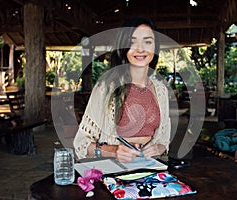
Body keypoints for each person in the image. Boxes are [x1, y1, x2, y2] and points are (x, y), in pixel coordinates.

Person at [73, 17, 171, 162]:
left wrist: (159, 148)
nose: (141, 49)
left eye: (148, 42)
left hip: (150, 169)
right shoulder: (106, 88)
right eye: (132, 42)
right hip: (114, 171)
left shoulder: (160, 90)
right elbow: (81, 144)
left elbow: (164, 139)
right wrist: (114, 151)